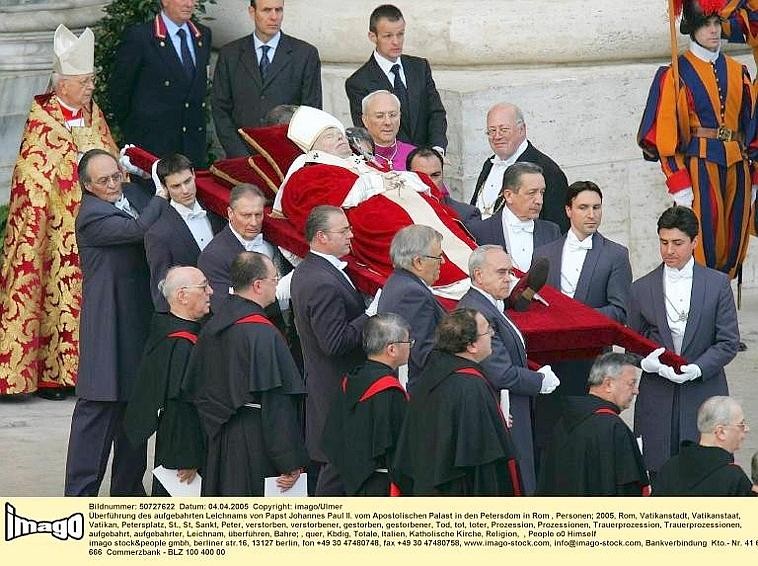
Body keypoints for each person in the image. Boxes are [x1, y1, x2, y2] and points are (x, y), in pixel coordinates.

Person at [0, 25, 117, 399]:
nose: (90, 88)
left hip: (94, 225)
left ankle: (86, 371)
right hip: (55, 230)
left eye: (91, 81)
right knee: (56, 301)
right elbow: (31, 177)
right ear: (62, 85)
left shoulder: (92, 113)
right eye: (83, 82)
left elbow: (107, 158)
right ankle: (52, 376)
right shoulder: (43, 120)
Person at [276, 105, 475, 295]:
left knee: (443, 219)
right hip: (374, 218)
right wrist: (378, 182)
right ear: (314, 149)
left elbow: (392, 176)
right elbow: (325, 203)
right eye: (330, 136)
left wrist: (404, 179)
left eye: (340, 134)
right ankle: (452, 277)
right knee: (403, 229)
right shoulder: (308, 172)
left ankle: (474, 264)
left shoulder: (360, 161)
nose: (340, 138)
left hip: (408, 204)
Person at [64, 149, 167, 496]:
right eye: (103, 181)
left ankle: (127, 497)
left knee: (134, 416)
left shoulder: (132, 193)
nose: (113, 185)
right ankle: (77, 502)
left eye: (116, 176)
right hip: (107, 328)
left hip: (137, 324)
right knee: (98, 414)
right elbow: (139, 229)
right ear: (87, 186)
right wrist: (163, 193)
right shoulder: (91, 215)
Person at [637, 0, 757, 279]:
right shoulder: (676, 74)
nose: (713, 30)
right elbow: (667, 140)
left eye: (716, 24)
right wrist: (679, 183)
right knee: (702, 239)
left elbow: (751, 130)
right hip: (700, 166)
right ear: (693, 28)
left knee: (735, 238)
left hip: (738, 166)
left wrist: (755, 178)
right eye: (706, 24)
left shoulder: (739, 71)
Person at [629, 205, 739, 476]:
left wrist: (698, 368)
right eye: (664, 242)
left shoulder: (717, 284)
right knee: (658, 470)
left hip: (705, 392)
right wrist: (649, 364)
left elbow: (728, 341)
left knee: (708, 472)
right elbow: (632, 342)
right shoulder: (641, 288)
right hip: (657, 395)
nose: (669, 251)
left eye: (677, 243)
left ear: (695, 242)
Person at [186, 252, 307, 496]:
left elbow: (195, 391)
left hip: (217, 440)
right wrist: (290, 461)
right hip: (255, 442)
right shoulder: (263, 334)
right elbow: (276, 403)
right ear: (258, 285)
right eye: (275, 278)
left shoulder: (212, 327)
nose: (277, 284)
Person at [532, 181, 633, 453]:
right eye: (584, 207)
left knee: (591, 440)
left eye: (597, 207)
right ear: (568, 210)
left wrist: (574, 319)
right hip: (550, 361)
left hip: (593, 363)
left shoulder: (616, 255)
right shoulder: (544, 253)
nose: (592, 214)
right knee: (551, 439)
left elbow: (620, 310)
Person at [458, 245, 559, 495]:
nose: (509, 279)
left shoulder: (489, 305)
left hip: (511, 406)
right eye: (501, 272)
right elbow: (499, 372)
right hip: (503, 407)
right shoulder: (477, 311)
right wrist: (539, 381)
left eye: (510, 272)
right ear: (479, 275)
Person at [393, 308, 523, 496]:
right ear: (471, 346)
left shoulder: (432, 371)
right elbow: (483, 465)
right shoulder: (471, 386)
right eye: (488, 331)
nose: (492, 335)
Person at [289, 206, 373, 495]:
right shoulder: (321, 280)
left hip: (333, 393)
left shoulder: (315, 270)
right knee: (336, 479)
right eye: (344, 230)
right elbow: (334, 343)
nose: (351, 235)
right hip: (336, 394)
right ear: (322, 237)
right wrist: (371, 314)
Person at [123, 266, 211, 496]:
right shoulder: (181, 344)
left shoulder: (164, 326)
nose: (210, 291)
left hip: (173, 444)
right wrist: (187, 458)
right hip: (181, 455)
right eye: (203, 287)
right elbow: (179, 407)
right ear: (182, 295)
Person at [212, 0, 322, 157]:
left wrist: (290, 152)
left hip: (288, 155)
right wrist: (239, 154)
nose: (274, 17)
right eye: (266, 10)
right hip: (241, 155)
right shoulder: (230, 54)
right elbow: (220, 108)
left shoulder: (305, 54)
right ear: (252, 12)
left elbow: (312, 110)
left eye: (279, 10)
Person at [110, 0, 212, 166]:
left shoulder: (203, 35)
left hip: (192, 147)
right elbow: (120, 91)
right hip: (154, 146)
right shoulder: (140, 36)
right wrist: (137, 130)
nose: (189, 4)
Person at [537, 352, 650, 496]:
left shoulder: (562, 422)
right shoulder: (614, 428)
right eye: (631, 383)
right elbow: (629, 490)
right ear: (608, 384)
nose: (636, 391)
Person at [321, 313, 409, 496]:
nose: (410, 347)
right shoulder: (389, 391)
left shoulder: (352, 378)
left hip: (347, 480)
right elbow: (399, 449)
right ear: (392, 349)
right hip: (379, 486)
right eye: (408, 342)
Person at [345, 4, 447, 151]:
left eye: (400, 34)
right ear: (373, 37)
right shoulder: (358, 82)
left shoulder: (420, 67)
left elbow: (436, 113)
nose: (396, 41)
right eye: (388, 36)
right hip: (391, 164)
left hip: (428, 159)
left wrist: (437, 150)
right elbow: (368, 131)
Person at [470, 102, 569, 231]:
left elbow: (556, 229)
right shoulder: (489, 164)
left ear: (522, 129)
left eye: (504, 129)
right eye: (492, 131)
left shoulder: (548, 171)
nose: (497, 136)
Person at [145, 154, 225, 312]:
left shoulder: (216, 211)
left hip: (227, 310)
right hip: (193, 317)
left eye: (188, 181)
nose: (185, 190)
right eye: (176, 186)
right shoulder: (158, 233)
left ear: (194, 174)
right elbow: (161, 289)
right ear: (165, 187)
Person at [198, 183, 285, 313]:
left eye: (258, 214)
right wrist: (279, 292)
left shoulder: (272, 235)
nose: (254, 222)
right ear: (230, 213)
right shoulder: (213, 256)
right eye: (246, 215)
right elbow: (225, 309)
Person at [378, 225, 446, 390]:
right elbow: (424, 354)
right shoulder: (413, 294)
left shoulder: (399, 282)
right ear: (418, 262)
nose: (443, 262)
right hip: (421, 395)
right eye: (438, 257)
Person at [469, 162, 561, 272]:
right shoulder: (479, 231)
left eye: (542, 192)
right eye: (532, 193)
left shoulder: (552, 231)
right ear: (509, 195)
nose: (539, 201)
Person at [654, 396, 754, 495]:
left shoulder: (669, 468)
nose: (746, 429)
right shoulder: (734, 478)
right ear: (721, 432)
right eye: (741, 424)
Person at [407, 145, 482, 228]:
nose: (429, 182)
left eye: (435, 175)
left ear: (443, 175)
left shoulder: (466, 215)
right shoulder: (397, 213)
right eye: (421, 176)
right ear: (408, 177)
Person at [360, 90, 415, 170]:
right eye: (380, 116)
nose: (388, 122)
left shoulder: (414, 155)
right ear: (365, 120)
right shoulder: (356, 159)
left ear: (399, 117)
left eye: (392, 115)